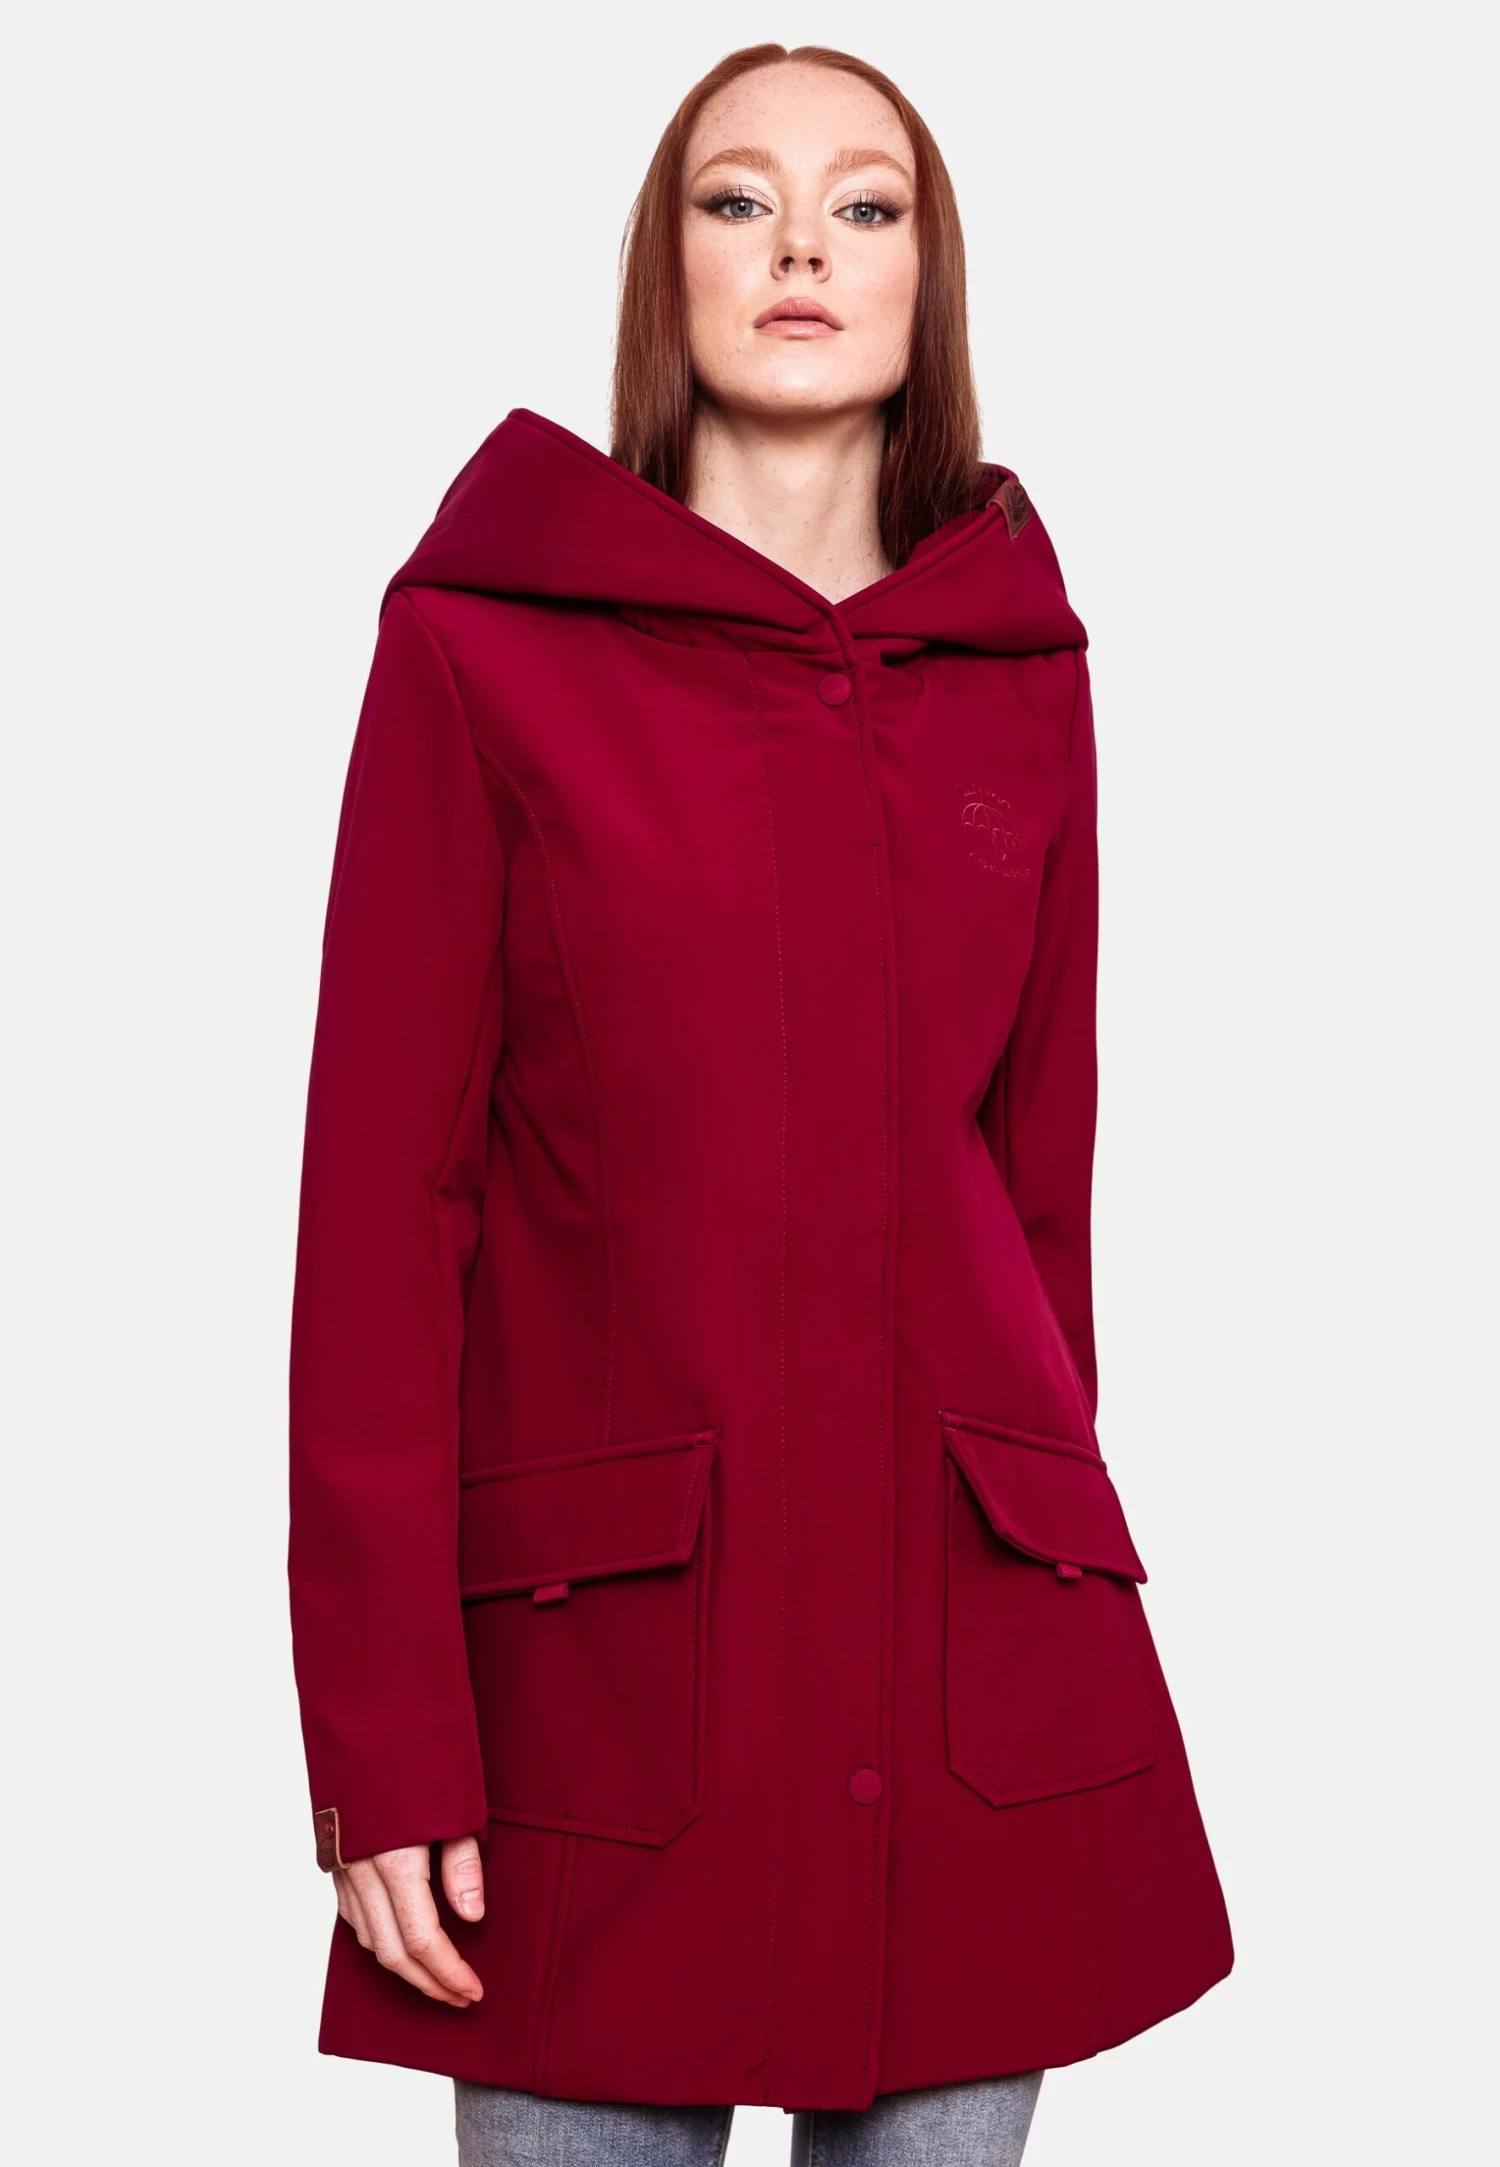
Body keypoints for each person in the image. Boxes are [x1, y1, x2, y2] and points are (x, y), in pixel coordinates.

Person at [287, 39, 1233, 2167]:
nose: (802, 243)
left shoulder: (1023, 673)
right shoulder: (483, 653)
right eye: (739, 199)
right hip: (604, 1700)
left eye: (863, 206)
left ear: (925, 282)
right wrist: (382, 1736)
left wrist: (1038, 1573)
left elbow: (1043, 1209)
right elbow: (382, 1215)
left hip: (968, 1686)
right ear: (670, 268)